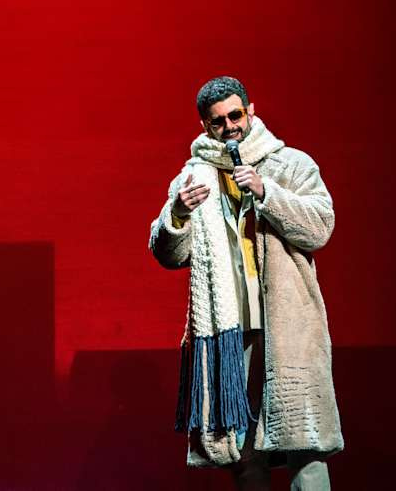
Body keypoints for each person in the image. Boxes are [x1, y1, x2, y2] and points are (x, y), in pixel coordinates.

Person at [149, 76, 343, 490]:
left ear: (251, 111)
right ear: (205, 126)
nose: (229, 126)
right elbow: (168, 254)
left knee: (305, 446)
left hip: (288, 327)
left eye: (235, 115)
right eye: (218, 121)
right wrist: (177, 214)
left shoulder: (290, 164)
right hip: (231, 332)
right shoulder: (194, 177)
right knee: (243, 453)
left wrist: (266, 192)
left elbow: (320, 227)